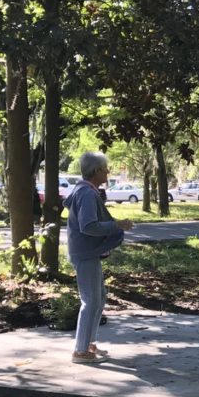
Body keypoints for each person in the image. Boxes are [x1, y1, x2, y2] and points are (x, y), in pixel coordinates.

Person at [64, 152, 133, 364]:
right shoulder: (86, 194)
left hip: (88, 253)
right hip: (85, 253)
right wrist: (117, 225)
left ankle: (89, 344)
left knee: (99, 298)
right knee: (90, 300)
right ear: (96, 171)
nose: (108, 172)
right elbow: (88, 226)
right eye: (105, 169)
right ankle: (80, 351)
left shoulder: (87, 191)